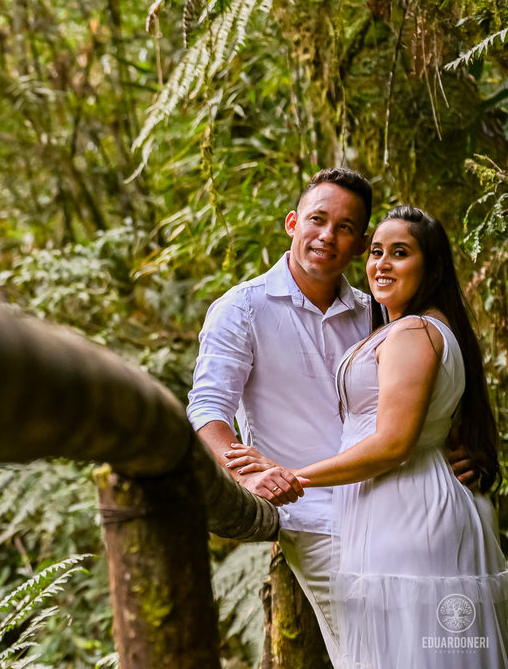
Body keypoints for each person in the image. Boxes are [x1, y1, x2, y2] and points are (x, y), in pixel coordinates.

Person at [288, 206, 507, 668]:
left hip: (408, 519)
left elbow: (392, 443)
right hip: (397, 513)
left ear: (430, 266)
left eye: (400, 253)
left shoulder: (413, 332)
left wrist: (294, 477)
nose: (381, 264)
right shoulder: (416, 328)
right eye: (375, 252)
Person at [186, 167, 378, 662]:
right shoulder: (241, 309)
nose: (327, 236)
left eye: (345, 227)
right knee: (369, 650)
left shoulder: (377, 313)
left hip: (392, 502)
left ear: (360, 245)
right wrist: (242, 472)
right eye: (318, 219)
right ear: (292, 223)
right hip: (313, 516)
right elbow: (208, 407)